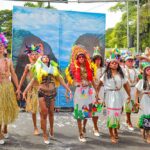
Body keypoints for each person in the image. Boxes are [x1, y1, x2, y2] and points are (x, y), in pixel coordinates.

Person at [23, 55, 71, 144]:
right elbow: (32, 82)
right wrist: (24, 92)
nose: (46, 58)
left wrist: (68, 90)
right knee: (44, 113)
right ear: (40, 60)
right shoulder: (38, 69)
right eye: (43, 57)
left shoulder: (54, 69)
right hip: (42, 93)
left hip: (52, 93)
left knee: (51, 113)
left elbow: (61, 80)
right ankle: (45, 134)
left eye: (47, 57)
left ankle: (51, 129)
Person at [65, 45, 98, 142]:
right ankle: (80, 133)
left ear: (85, 58)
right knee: (79, 113)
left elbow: (92, 81)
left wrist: (96, 92)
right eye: (79, 57)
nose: (81, 58)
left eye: (82, 57)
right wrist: (67, 92)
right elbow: (69, 81)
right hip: (79, 92)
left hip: (88, 91)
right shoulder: (72, 68)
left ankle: (84, 127)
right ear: (77, 58)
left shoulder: (90, 68)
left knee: (87, 112)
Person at [98, 53, 131, 144]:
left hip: (119, 95)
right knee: (111, 115)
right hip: (109, 95)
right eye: (112, 63)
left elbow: (126, 85)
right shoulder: (105, 75)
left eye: (116, 63)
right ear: (109, 64)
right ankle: (111, 134)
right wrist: (97, 95)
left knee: (117, 114)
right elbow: (99, 85)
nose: (114, 64)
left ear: (118, 65)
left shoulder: (121, 75)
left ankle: (115, 130)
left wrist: (129, 95)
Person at [17, 44, 41, 135]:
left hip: (41, 89)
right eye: (32, 54)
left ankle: (43, 124)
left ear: (38, 55)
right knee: (34, 110)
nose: (34, 56)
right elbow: (23, 77)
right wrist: (19, 88)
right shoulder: (28, 66)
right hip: (32, 90)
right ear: (29, 55)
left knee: (43, 110)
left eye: (35, 54)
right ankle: (35, 127)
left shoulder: (41, 65)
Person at [0, 32, 19, 145]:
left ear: (4, 47)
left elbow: (14, 75)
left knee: (6, 109)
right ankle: (0, 133)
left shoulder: (9, 61)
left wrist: (18, 88)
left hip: (7, 87)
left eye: (1, 46)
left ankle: (5, 128)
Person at [90, 46, 105, 137]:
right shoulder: (91, 69)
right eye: (96, 59)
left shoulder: (104, 69)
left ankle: (95, 125)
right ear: (94, 60)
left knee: (98, 109)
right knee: (94, 108)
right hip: (93, 90)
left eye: (99, 59)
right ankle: (95, 126)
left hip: (101, 90)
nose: (98, 61)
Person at [135, 62, 150, 144]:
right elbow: (136, 91)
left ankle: (148, 134)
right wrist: (136, 101)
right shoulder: (141, 81)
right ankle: (146, 132)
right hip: (144, 100)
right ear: (145, 71)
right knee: (145, 116)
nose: (149, 70)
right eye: (148, 69)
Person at [123, 55, 139, 131]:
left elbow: (140, 78)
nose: (130, 62)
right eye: (128, 61)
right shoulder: (123, 70)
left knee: (133, 106)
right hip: (126, 89)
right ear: (125, 62)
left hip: (134, 89)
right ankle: (129, 122)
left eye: (131, 61)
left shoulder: (136, 70)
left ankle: (127, 120)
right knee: (127, 106)